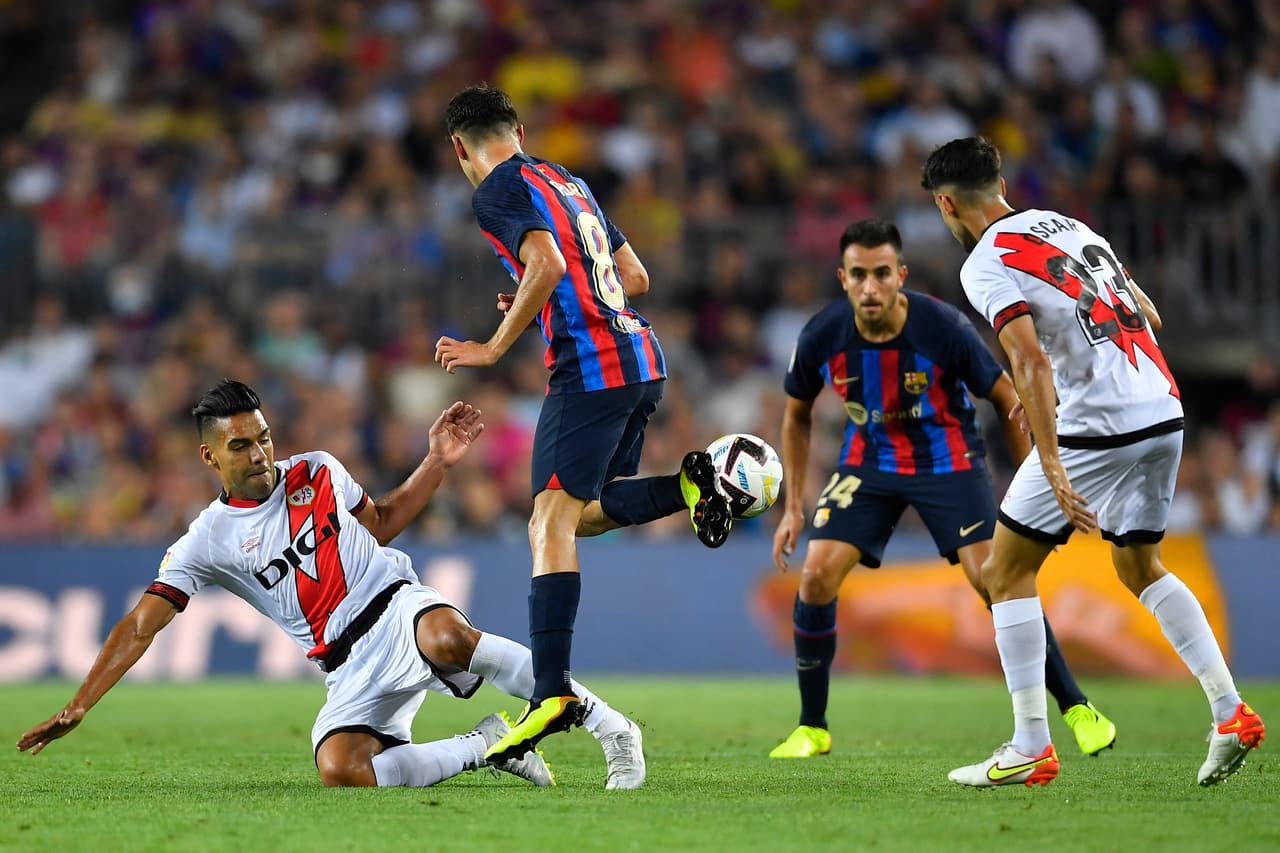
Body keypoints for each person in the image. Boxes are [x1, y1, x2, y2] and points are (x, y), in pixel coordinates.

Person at [16, 379, 647, 791]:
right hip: (344, 665)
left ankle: (611, 727)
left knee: (449, 634)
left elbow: (385, 523)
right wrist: (80, 703)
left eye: (263, 438)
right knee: (342, 771)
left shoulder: (317, 470)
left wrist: (435, 463)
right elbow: (140, 624)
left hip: (395, 606)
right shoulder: (206, 540)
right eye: (241, 446)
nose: (260, 454)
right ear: (211, 458)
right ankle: (483, 745)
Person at [921, 137, 1266, 788]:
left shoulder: (985, 260)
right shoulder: (1073, 228)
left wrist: (1049, 459)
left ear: (946, 204)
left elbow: (1027, 358)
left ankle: (1030, 744)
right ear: (1000, 183)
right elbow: (1149, 314)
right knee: (1139, 562)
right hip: (1162, 406)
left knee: (1004, 569)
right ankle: (1229, 711)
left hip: (1100, 423)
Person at [435, 84, 732, 764]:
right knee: (584, 514)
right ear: (517, 127)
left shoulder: (494, 192)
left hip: (589, 369)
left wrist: (492, 345)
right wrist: (548, 294)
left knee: (546, 522)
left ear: (460, 148)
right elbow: (633, 273)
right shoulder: (567, 181)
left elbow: (549, 263)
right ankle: (693, 486)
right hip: (640, 357)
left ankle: (551, 691)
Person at [770, 219, 1115, 760]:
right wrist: (794, 507)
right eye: (858, 275)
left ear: (900, 275)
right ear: (842, 278)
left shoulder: (943, 328)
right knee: (814, 577)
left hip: (948, 461)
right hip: (869, 462)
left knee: (994, 581)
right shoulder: (821, 335)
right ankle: (812, 727)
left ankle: (1076, 707)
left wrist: (1037, 482)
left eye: (881, 274)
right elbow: (796, 417)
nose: (870, 287)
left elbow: (1008, 397)